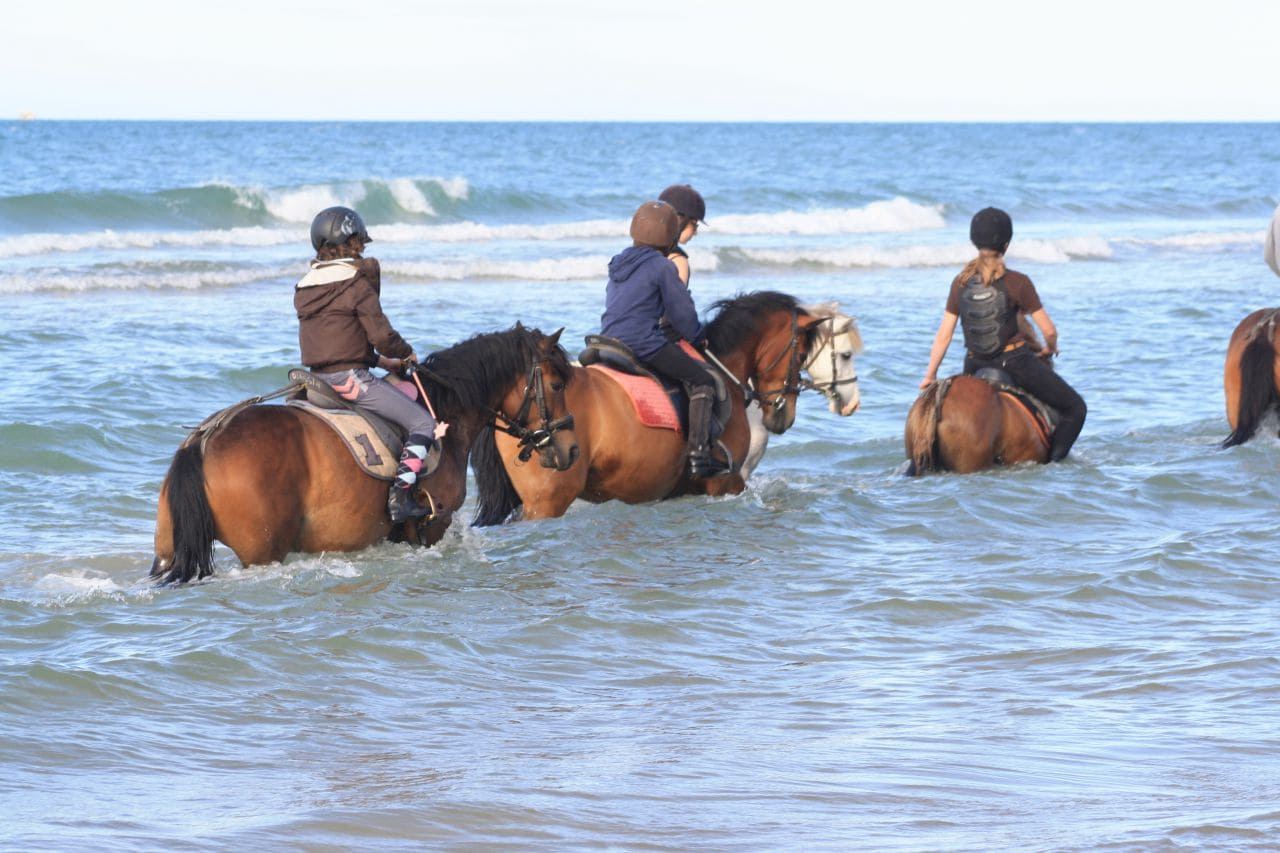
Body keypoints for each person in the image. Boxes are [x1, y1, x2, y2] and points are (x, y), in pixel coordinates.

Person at [295, 206, 445, 523]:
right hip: (349, 382)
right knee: (423, 425)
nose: (362, 248)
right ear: (351, 241)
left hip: (316, 382)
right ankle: (401, 497)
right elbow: (382, 335)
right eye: (359, 242)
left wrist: (383, 363)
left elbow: (336, 340)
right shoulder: (355, 283)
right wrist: (404, 353)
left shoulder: (306, 286)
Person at [919, 207, 1086, 462]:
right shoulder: (1018, 282)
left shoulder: (960, 282)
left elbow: (944, 335)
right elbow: (1049, 330)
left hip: (973, 365)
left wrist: (930, 375)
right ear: (1006, 244)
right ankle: (1053, 465)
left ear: (974, 242)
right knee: (1076, 407)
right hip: (1016, 362)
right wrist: (1050, 348)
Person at [600, 200, 728, 478]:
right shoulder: (662, 267)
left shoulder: (618, 261)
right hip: (642, 343)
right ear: (670, 236)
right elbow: (681, 314)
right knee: (703, 380)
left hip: (608, 339)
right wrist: (698, 336)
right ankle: (698, 455)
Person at [658, 183, 707, 286]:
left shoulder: (637, 252)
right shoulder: (677, 261)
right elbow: (677, 301)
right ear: (679, 220)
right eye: (694, 224)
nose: (696, 233)